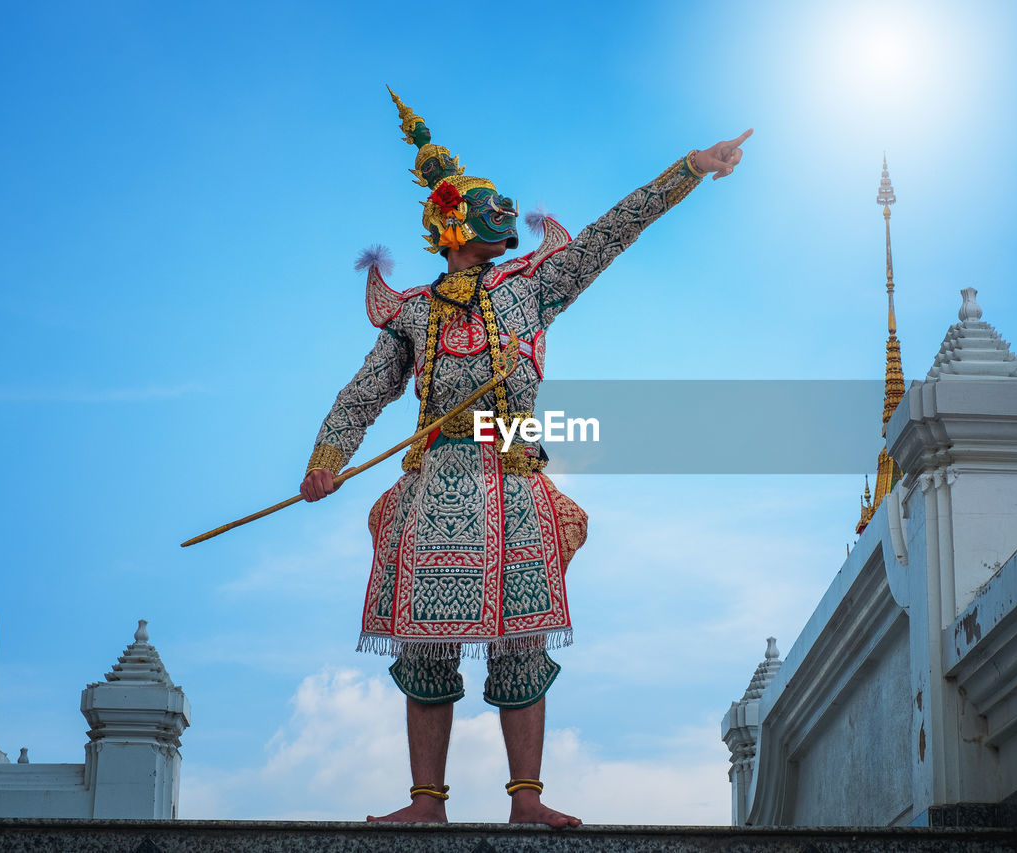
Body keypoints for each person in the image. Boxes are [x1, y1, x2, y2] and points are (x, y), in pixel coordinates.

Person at [299, 87, 750, 827]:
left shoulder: (532, 289)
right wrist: (327, 457)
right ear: (451, 221)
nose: (502, 210)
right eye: (484, 202)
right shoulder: (414, 312)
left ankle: (527, 798)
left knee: (522, 638)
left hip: (508, 466)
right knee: (423, 645)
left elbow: (609, 235)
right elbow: (359, 397)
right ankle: (425, 801)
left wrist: (689, 169)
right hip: (438, 472)